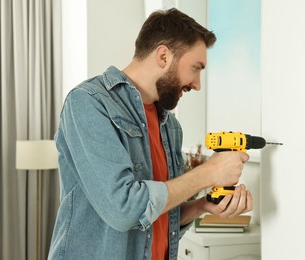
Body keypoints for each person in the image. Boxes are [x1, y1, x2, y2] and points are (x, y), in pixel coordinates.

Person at [48, 8, 252, 260]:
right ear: (164, 56)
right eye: (195, 68)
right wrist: (208, 173)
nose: (197, 84)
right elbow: (124, 209)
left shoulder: (170, 126)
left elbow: (155, 219)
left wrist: (201, 206)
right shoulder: (88, 104)